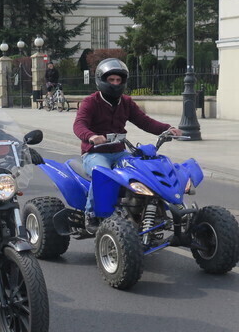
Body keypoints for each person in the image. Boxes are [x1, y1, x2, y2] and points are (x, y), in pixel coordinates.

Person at [73, 58, 182, 232]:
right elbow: (79, 125)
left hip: (119, 152)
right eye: (111, 80)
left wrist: (167, 129)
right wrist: (91, 136)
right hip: (94, 153)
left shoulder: (126, 102)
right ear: (102, 80)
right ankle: (91, 214)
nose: (115, 84)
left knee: (143, 171)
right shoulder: (90, 102)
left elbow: (145, 122)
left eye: (119, 80)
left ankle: (145, 211)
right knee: (102, 174)